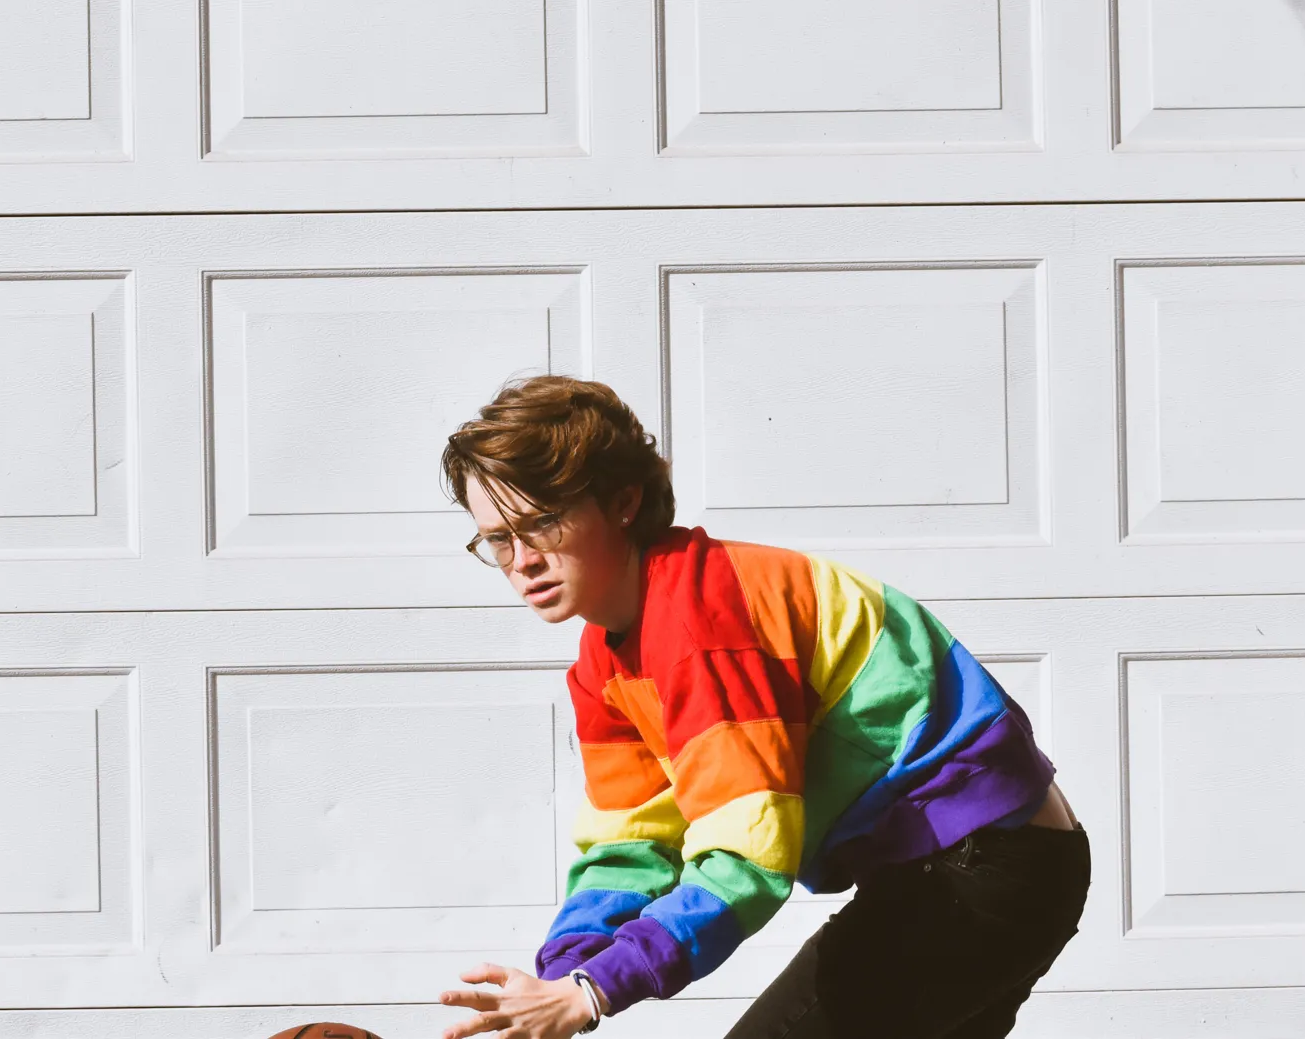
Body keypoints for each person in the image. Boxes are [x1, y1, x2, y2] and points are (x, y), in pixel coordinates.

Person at [435, 376, 1089, 1039]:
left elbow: (747, 858)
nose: (523, 561)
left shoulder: (705, 620)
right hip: (980, 867)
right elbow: (630, 842)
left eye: (542, 521)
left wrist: (595, 988)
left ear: (623, 500)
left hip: (980, 868)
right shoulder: (604, 663)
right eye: (497, 538)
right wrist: (564, 975)